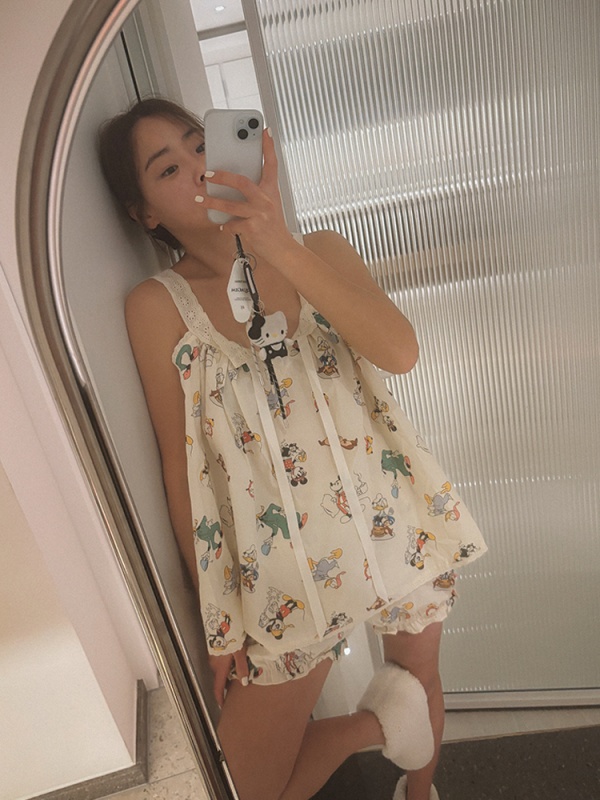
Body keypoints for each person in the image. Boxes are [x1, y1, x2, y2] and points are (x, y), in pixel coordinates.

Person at [99, 97, 486, 800]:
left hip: (394, 521)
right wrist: (218, 620)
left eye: (200, 144)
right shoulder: (156, 306)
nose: (197, 167)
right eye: (167, 168)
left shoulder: (321, 252)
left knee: (421, 674)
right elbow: (179, 468)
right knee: (245, 788)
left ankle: (421, 793)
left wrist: (274, 240)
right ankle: (373, 726)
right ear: (144, 212)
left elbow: (399, 352)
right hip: (279, 573)